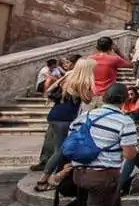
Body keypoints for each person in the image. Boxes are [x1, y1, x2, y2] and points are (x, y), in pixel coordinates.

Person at [34, 58, 96, 193]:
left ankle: (59, 175)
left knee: (62, 148)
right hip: (65, 118)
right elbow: (88, 99)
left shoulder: (68, 75)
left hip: (55, 114)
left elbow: (49, 90)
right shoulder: (82, 81)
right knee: (60, 150)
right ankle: (43, 180)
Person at [88, 37, 132, 108]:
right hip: (107, 96)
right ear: (111, 47)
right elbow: (130, 64)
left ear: (97, 47)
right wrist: (118, 51)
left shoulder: (90, 58)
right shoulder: (114, 59)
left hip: (91, 95)